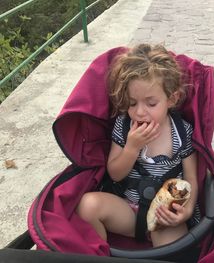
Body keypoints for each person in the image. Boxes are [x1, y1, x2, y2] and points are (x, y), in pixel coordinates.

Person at [76, 44, 199, 247]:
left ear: (172, 99)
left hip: (164, 214)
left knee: (175, 249)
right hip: (127, 209)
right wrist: (131, 148)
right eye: (132, 103)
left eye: (151, 104)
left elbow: (192, 177)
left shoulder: (182, 131)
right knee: (87, 206)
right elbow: (115, 174)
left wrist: (185, 211)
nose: (140, 112)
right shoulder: (124, 126)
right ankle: (100, 253)